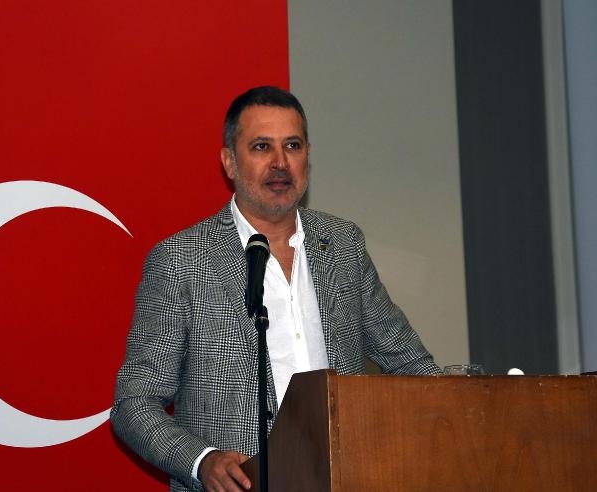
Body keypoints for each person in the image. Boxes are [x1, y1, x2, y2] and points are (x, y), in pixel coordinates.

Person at [111, 86, 441, 492]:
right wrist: (202, 461)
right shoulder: (182, 260)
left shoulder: (343, 246)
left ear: (308, 157)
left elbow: (410, 362)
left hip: (344, 479)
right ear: (229, 162)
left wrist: (471, 407)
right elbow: (134, 403)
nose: (280, 162)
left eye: (293, 146)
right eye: (262, 147)